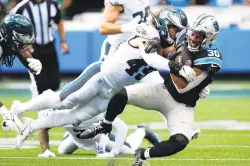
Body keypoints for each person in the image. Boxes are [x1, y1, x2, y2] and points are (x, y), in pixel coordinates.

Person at [12, 7, 197, 150]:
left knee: (75, 117)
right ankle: (19, 108)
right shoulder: (150, 32)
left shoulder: (166, 45)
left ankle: (31, 126)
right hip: (101, 76)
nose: (175, 34)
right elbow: (150, 58)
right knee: (63, 101)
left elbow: (177, 58)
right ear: (165, 24)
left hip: (112, 92)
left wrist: (197, 79)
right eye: (174, 29)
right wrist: (177, 66)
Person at [81, 14, 222, 166]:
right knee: (122, 95)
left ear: (209, 38)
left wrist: (199, 81)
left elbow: (182, 86)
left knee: (180, 141)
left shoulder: (210, 57)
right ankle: (105, 125)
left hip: (182, 106)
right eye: (192, 33)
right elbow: (166, 46)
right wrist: (155, 43)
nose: (192, 38)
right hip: (163, 91)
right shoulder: (182, 37)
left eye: (198, 36)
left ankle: (143, 154)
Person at [11, 0, 69, 157]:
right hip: (32, 51)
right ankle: (42, 140)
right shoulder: (22, 7)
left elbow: (59, 22)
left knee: (55, 85)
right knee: (40, 89)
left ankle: (42, 118)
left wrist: (63, 42)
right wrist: (23, 46)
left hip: (49, 48)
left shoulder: (51, 5)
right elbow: (10, 26)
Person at [0, 11, 42, 133]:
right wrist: (4, 112)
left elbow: (19, 50)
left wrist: (32, 62)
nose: (24, 44)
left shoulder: (1, 37)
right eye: (21, 38)